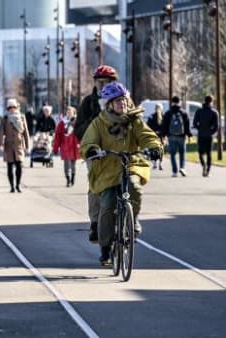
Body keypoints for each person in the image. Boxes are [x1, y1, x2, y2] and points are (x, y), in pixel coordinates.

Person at [79, 82, 162, 265]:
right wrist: (92, 150)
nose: (122, 104)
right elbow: (88, 142)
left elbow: (147, 136)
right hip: (107, 168)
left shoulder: (135, 121)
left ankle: (134, 219)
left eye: (124, 100)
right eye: (117, 102)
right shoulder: (99, 123)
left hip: (131, 164)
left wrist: (154, 147)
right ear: (109, 104)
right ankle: (106, 248)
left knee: (135, 188)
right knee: (107, 204)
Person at [74, 64, 119, 244]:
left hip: (118, 149)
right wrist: (95, 123)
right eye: (99, 82)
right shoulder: (89, 102)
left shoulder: (122, 101)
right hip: (96, 151)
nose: (102, 86)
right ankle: (95, 222)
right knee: (96, 186)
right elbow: (78, 130)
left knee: (132, 180)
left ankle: (132, 219)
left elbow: (136, 124)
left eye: (106, 82)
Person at [0, 98, 30, 193]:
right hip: (8, 146)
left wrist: (27, 146)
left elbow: (26, 132)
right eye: (10, 107)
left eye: (14, 107)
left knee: (19, 166)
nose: (12, 108)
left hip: (19, 145)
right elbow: (1, 132)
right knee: (9, 167)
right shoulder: (4, 118)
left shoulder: (21, 117)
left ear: (17, 107)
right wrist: (0, 144)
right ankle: (12, 186)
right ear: (7, 108)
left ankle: (18, 185)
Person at [161, 96, 193, 177]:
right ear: (179, 102)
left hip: (171, 136)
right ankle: (182, 168)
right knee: (182, 153)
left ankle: (174, 171)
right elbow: (187, 125)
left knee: (172, 154)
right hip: (181, 136)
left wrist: (163, 135)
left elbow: (164, 125)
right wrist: (189, 135)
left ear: (172, 102)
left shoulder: (168, 113)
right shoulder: (183, 112)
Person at [53, 106, 80, 187]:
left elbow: (81, 133)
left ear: (73, 113)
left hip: (75, 146)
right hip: (65, 146)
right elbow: (57, 136)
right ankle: (68, 180)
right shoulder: (62, 123)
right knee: (66, 165)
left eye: (70, 112)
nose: (68, 113)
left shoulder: (77, 122)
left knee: (73, 165)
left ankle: (72, 178)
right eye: (67, 112)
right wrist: (55, 148)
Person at [193, 95, 219, 177]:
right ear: (211, 101)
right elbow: (216, 126)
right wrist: (211, 132)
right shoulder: (214, 112)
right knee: (209, 153)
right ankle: (207, 170)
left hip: (201, 134)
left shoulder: (199, 111)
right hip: (209, 136)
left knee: (200, 152)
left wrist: (200, 128)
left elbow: (194, 123)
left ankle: (203, 165)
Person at [146, 103, 164, 170]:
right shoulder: (163, 116)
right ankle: (160, 163)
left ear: (155, 108)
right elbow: (165, 127)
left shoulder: (151, 116)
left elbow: (147, 126)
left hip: (153, 136)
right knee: (161, 150)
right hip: (161, 136)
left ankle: (154, 164)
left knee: (152, 150)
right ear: (161, 109)